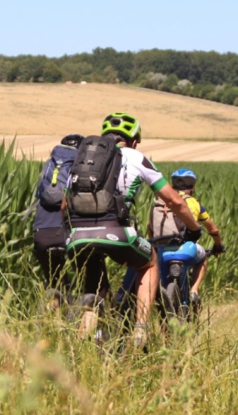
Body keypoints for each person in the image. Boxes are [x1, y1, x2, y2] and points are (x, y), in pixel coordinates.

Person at [65, 113, 202, 348]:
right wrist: (194, 228)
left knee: (94, 288)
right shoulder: (136, 157)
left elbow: (64, 205)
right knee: (148, 262)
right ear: (134, 140)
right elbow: (175, 201)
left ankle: (83, 346)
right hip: (116, 231)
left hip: (77, 234)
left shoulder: (84, 160)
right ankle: (140, 328)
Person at [149, 168, 226, 310]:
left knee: (163, 287)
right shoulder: (194, 203)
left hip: (162, 251)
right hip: (186, 249)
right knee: (202, 257)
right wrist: (218, 245)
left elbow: (150, 228)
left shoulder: (160, 201)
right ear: (193, 187)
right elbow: (213, 229)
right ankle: (193, 291)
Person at [31, 134, 83, 305]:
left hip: (41, 235)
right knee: (87, 278)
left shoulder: (48, 170)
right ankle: (81, 312)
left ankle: (51, 318)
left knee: (55, 281)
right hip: (67, 235)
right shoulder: (80, 170)